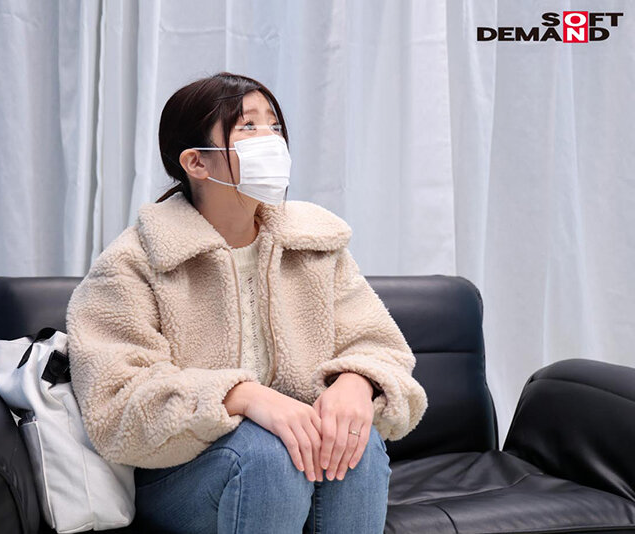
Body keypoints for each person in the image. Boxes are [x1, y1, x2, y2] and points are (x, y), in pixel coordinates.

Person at [65, 72, 428, 533]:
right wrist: (243, 397)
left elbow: (380, 346)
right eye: (249, 127)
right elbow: (116, 406)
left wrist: (357, 383)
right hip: (182, 476)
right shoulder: (135, 262)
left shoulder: (316, 243)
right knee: (266, 454)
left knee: (359, 446)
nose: (271, 140)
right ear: (197, 162)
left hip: (295, 460)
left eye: (274, 126)